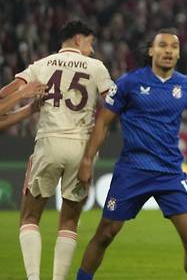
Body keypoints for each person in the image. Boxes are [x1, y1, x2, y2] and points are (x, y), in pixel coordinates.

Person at [75, 29, 187, 280]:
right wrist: (87, 160)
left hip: (170, 173)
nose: (168, 51)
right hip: (132, 170)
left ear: (178, 54)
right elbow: (103, 122)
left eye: (173, 47)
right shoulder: (129, 83)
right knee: (105, 234)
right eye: (162, 46)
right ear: (151, 51)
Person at [10, 20, 114, 280]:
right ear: (78, 39)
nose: (91, 50)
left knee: (30, 217)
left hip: (49, 143)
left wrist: (20, 97)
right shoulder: (97, 67)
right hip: (81, 147)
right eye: (90, 43)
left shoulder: (42, 64)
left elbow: (5, 94)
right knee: (69, 221)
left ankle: (34, 278)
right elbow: (114, 103)